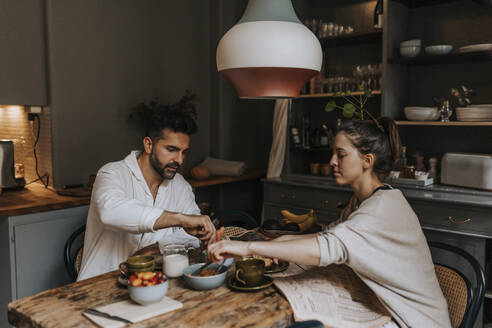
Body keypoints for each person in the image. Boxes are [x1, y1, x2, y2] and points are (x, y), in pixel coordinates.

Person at [208, 117, 451, 328]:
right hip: (389, 308)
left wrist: (249, 247)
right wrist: (274, 241)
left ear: (367, 160)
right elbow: (328, 235)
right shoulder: (364, 200)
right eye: (333, 153)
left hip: (413, 321)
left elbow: (326, 248)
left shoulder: (381, 209)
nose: (332, 161)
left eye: (341, 155)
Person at [78, 102, 216, 280]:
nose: (180, 160)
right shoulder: (111, 173)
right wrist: (180, 219)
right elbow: (110, 211)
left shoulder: (180, 185)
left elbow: (190, 239)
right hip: (99, 283)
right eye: (171, 150)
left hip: (152, 283)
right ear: (149, 145)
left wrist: (155, 249)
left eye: (184, 152)